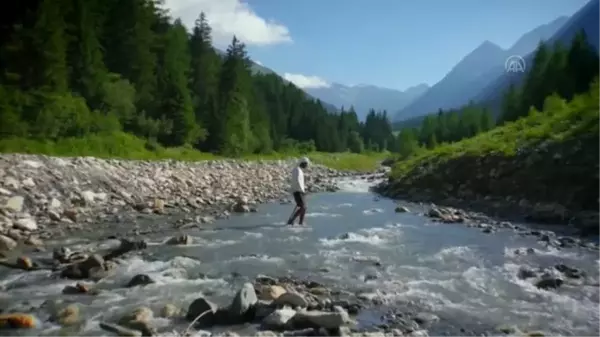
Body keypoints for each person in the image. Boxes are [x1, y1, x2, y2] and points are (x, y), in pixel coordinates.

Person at [288, 157, 309, 225]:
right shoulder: (297, 170)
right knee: (303, 207)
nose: (306, 166)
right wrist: (301, 190)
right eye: (306, 164)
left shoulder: (299, 170)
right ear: (303, 163)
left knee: (304, 207)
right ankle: (292, 220)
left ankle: (300, 223)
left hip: (299, 191)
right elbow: (297, 181)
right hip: (298, 191)